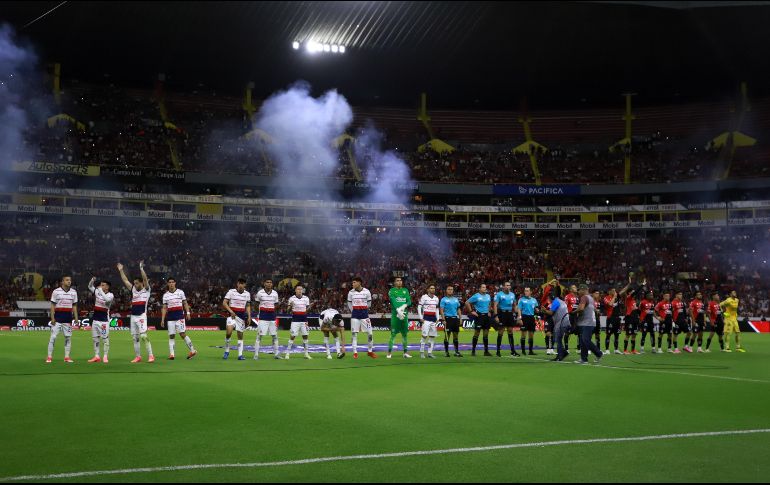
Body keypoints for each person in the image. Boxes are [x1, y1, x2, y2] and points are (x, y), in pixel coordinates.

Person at [117, 262, 154, 363]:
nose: (135, 284)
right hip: (133, 317)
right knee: (135, 338)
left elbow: (145, 279)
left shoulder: (146, 290)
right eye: (134, 283)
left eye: (137, 283)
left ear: (141, 283)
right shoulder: (133, 289)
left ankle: (151, 355)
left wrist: (141, 268)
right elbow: (125, 280)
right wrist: (121, 270)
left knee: (143, 336)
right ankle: (138, 357)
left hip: (141, 316)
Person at [160, 277, 197, 360]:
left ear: (175, 283)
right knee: (171, 336)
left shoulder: (180, 292)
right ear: (167, 284)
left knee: (182, 334)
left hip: (180, 317)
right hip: (170, 318)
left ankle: (193, 350)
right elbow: (164, 308)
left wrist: (188, 313)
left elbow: (185, 303)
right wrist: (162, 319)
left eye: (173, 282)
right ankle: (172, 354)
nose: (171, 284)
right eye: (169, 282)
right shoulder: (165, 295)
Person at [46, 275, 79, 363]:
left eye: (70, 280)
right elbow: (52, 305)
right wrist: (52, 318)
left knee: (68, 338)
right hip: (57, 318)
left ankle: (67, 357)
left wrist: (76, 318)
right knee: (53, 337)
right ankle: (49, 357)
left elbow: (74, 306)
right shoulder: (56, 292)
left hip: (68, 319)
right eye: (67, 280)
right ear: (62, 282)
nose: (69, 282)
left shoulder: (74, 292)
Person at [222, 278, 251, 360]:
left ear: (245, 285)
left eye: (243, 283)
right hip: (231, 315)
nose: (241, 285)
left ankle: (240, 355)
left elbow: (248, 306)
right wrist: (231, 311)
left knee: (240, 335)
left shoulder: (247, 294)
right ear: (237, 284)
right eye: (240, 283)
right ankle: (227, 351)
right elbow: (224, 303)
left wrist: (249, 316)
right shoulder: (231, 292)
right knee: (229, 332)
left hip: (241, 317)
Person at [87, 277, 114, 364]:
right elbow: (89, 286)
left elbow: (106, 299)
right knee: (95, 339)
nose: (100, 286)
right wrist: (92, 280)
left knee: (105, 339)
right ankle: (96, 356)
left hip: (104, 321)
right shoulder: (98, 292)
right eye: (100, 285)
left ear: (107, 287)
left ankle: (105, 356)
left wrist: (100, 290)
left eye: (103, 285)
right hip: (95, 320)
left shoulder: (110, 295)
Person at [348, 276, 377, 359]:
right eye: (352, 282)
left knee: (370, 334)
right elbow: (350, 304)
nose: (352, 284)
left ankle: (370, 351)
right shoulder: (350, 292)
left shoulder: (367, 292)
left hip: (365, 316)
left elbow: (369, 304)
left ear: (359, 283)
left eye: (354, 282)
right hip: (355, 316)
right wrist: (354, 311)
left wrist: (363, 310)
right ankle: (355, 352)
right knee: (354, 334)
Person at [575, 284, 603, 364]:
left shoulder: (584, 297)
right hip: (590, 322)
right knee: (583, 341)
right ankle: (584, 359)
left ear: (583, 290)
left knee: (585, 340)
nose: (578, 292)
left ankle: (599, 353)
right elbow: (594, 309)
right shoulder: (591, 298)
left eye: (579, 290)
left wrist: (573, 312)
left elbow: (581, 308)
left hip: (586, 322)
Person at [254, 278, 281, 360]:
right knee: (259, 337)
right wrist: (259, 312)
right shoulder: (260, 293)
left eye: (270, 282)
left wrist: (274, 308)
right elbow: (256, 304)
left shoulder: (275, 293)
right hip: (263, 318)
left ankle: (276, 354)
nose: (269, 284)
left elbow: (276, 305)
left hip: (272, 318)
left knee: (275, 336)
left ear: (272, 284)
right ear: (264, 283)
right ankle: (256, 355)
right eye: (267, 282)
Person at [387, 277, 412, 359]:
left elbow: (409, 301)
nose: (399, 282)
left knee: (405, 335)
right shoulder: (392, 291)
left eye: (400, 280)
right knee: (393, 334)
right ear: (394, 282)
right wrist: (398, 310)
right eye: (397, 281)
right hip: (395, 316)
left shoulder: (405, 290)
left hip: (404, 316)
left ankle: (405, 353)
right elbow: (393, 301)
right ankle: (389, 353)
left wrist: (404, 306)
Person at [285, 285, 312, 359]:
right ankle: (287, 353)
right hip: (295, 321)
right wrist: (290, 306)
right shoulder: (291, 299)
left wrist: (310, 307)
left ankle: (306, 354)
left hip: (304, 320)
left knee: (305, 336)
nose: (300, 290)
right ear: (295, 290)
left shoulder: (306, 298)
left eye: (301, 289)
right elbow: (287, 310)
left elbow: (307, 310)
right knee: (292, 336)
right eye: (298, 289)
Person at [465, 284, 493, 357]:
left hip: (486, 316)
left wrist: (489, 311)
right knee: (477, 333)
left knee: (486, 334)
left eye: (485, 287)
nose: (485, 288)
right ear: (480, 288)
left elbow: (489, 303)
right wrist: (471, 311)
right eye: (483, 287)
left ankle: (486, 351)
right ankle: (473, 351)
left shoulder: (488, 296)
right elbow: (467, 302)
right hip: (479, 316)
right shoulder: (476, 296)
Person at [494, 282, 520, 357]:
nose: (508, 287)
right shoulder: (499, 294)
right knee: (501, 331)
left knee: (510, 331)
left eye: (509, 285)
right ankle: (498, 351)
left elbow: (514, 305)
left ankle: (513, 351)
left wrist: (517, 314)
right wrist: (496, 316)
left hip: (510, 314)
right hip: (502, 314)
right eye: (507, 285)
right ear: (504, 287)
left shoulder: (512, 295)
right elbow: (495, 305)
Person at [544, 289, 570, 361]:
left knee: (557, 339)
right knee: (558, 339)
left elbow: (551, 313)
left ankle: (561, 355)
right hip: (566, 321)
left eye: (548, 298)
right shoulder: (561, 301)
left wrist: (544, 310)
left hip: (561, 322)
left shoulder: (555, 302)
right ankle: (562, 353)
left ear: (551, 297)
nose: (548, 299)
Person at [440, 285, 462, 357]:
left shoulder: (456, 299)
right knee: (447, 336)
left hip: (455, 319)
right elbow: (441, 310)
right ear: (446, 290)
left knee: (456, 336)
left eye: (451, 289)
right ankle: (446, 352)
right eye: (449, 289)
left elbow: (458, 309)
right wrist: (443, 319)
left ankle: (456, 352)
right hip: (447, 319)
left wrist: (460, 318)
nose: (450, 290)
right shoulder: (443, 299)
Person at [419, 284, 440, 359]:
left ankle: (430, 353)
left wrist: (438, 317)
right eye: (431, 288)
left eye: (434, 288)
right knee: (424, 336)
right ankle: (421, 352)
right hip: (426, 320)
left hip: (433, 320)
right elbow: (419, 306)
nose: (433, 289)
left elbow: (437, 309)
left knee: (432, 337)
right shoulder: (424, 297)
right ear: (428, 289)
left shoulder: (436, 298)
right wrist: (421, 317)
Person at [517, 287, 538, 356]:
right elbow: (519, 309)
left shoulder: (534, 300)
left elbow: (536, 309)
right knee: (523, 335)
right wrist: (520, 318)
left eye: (527, 291)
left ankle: (530, 351)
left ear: (530, 292)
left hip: (531, 318)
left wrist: (537, 310)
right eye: (525, 291)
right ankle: (523, 351)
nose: (525, 292)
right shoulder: (521, 300)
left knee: (531, 335)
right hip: (524, 317)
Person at [603, 288, 622, 354]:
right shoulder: (606, 298)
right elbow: (610, 304)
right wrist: (614, 297)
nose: (615, 291)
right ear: (609, 291)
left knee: (617, 335)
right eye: (613, 290)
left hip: (617, 318)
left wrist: (629, 284)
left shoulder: (617, 297)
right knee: (608, 334)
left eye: (615, 290)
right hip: (610, 318)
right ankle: (607, 350)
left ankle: (616, 349)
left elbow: (623, 291)